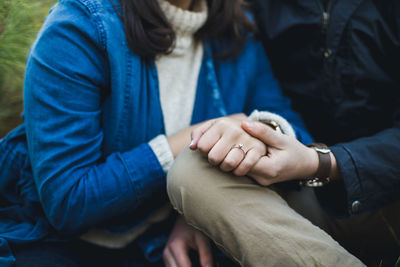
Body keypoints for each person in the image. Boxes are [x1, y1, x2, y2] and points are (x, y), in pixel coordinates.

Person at [0, 0, 315, 266]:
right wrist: (185, 142)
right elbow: (69, 202)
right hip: (55, 246)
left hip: (163, 245)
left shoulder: (236, 29)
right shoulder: (81, 28)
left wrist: (203, 208)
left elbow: (289, 128)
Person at [165, 0, 400, 266]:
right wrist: (199, 209)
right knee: (194, 170)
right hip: (307, 196)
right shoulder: (253, 9)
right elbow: (260, 99)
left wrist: (321, 163)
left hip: (389, 197)